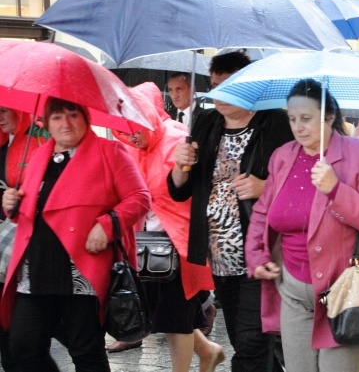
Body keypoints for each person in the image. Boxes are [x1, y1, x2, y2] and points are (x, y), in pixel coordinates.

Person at [245, 79, 359, 372]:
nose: (298, 127)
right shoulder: (282, 156)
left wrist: (336, 190)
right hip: (293, 290)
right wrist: (257, 255)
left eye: (306, 118)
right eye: (292, 119)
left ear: (328, 116)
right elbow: (263, 213)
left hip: (347, 290)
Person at [1, 97, 151, 372]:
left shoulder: (110, 151)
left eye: (73, 115)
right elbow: (36, 207)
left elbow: (140, 198)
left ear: (86, 119)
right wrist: (13, 205)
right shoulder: (38, 156)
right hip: (36, 269)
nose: (65, 123)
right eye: (57, 117)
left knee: (86, 351)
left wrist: (107, 226)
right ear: (46, 123)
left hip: (81, 270)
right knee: (23, 345)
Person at [169, 73, 293, 372]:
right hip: (219, 253)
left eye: (229, 85)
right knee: (244, 341)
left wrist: (266, 188)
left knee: (251, 342)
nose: (219, 93)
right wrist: (179, 165)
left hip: (261, 251)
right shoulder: (206, 122)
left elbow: (300, 179)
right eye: (215, 85)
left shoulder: (276, 122)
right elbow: (180, 189)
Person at [113, 82, 224, 372]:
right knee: (165, 315)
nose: (130, 134)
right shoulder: (132, 146)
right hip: (147, 244)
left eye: (134, 126)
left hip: (178, 241)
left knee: (176, 318)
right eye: (123, 128)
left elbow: (186, 192)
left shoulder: (178, 139)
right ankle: (208, 350)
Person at [0, 107, 48, 372]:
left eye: (4, 111)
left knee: (24, 337)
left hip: (28, 247)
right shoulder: (9, 142)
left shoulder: (37, 138)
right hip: (9, 247)